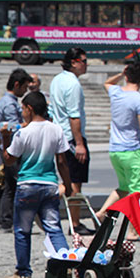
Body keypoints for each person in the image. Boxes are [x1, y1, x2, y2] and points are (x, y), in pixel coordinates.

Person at [3, 91, 72, 278]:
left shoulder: (23, 133)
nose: (22, 112)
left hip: (28, 185)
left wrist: (5, 139)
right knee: (53, 227)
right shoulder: (56, 130)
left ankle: (24, 272)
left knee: (23, 231)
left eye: (23, 108)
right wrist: (67, 184)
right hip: (50, 184)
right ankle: (64, 265)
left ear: (30, 109)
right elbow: (62, 161)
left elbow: (9, 160)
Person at [96, 62, 140, 220]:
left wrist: (120, 74)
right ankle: (133, 230)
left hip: (115, 150)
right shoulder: (139, 99)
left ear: (126, 76)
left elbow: (107, 82)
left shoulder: (116, 92)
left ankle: (102, 211)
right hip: (131, 150)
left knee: (124, 187)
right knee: (137, 193)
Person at [49, 47, 93, 235]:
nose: (86, 64)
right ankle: (74, 224)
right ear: (74, 62)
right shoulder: (73, 84)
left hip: (59, 135)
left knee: (69, 178)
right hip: (71, 137)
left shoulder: (57, 80)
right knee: (74, 182)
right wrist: (80, 143)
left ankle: (73, 222)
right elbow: (74, 116)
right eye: (83, 61)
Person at [0, 68, 30, 230]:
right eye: (24, 87)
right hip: (11, 148)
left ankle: (7, 219)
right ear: (17, 85)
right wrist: (27, 124)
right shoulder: (9, 103)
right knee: (13, 185)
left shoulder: (8, 100)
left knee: (11, 186)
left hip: (9, 148)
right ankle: (8, 219)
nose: (25, 91)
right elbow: (11, 127)